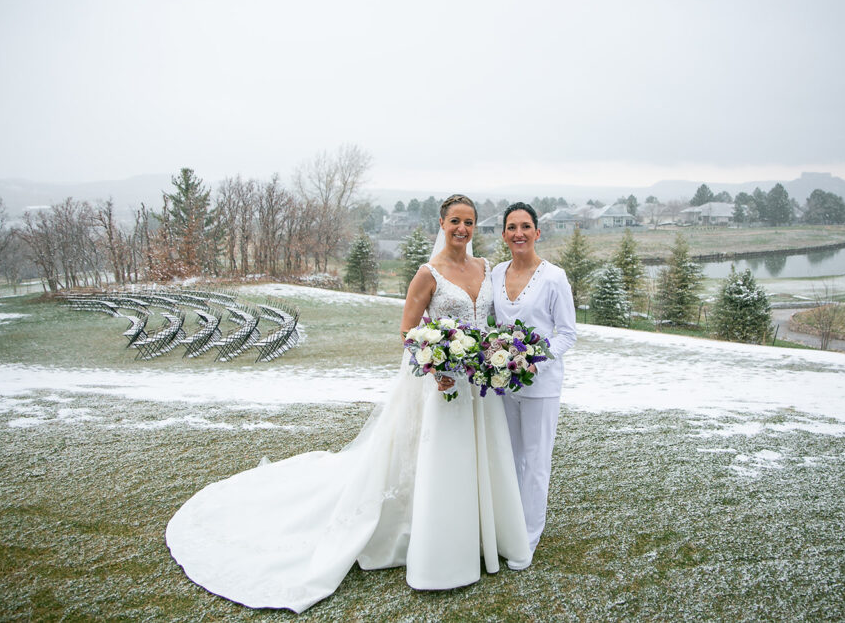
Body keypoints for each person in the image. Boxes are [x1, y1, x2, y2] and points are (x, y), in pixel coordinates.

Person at [166, 194, 529, 613]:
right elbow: (409, 331)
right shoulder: (429, 274)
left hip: (480, 388)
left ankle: (486, 534)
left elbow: (492, 322)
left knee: (481, 457)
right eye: (454, 222)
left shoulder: (484, 268)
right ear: (442, 224)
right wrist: (436, 367)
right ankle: (441, 549)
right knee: (444, 460)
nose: (462, 229)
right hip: (444, 385)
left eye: (469, 222)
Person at [490, 202, 577, 559]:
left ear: (537, 232)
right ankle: (507, 528)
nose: (519, 233)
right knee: (509, 458)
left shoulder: (554, 277)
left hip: (541, 384)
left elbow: (568, 333)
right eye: (512, 227)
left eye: (526, 226)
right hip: (501, 382)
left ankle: (526, 539)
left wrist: (534, 362)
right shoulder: (495, 273)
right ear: (504, 234)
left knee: (536, 461)